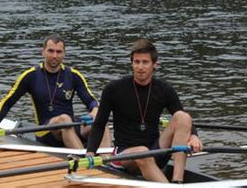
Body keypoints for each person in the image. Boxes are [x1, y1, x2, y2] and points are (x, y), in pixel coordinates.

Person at [86, 38, 202, 183]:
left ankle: (177, 180)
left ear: (155, 64)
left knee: (182, 117)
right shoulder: (113, 89)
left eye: (145, 62)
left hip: (155, 151)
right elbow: (99, 124)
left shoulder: (164, 89)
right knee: (142, 151)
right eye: (136, 62)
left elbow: (185, 120)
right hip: (125, 156)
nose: (140, 67)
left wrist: (194, 136)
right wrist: (90, 152)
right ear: (132, 63)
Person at [0, 34, 111, 149]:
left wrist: (95, 109)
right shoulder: (30, 76)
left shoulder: (73, 75)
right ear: (43, 52)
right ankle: (87, 163)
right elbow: (8, 101)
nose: (54, 56)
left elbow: (90, 99)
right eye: (51, 51)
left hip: (70, 125)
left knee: (101, 120)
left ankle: (108, 161)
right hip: (45, 130)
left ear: (64, 54)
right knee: (64, 119)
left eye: (58, 52)